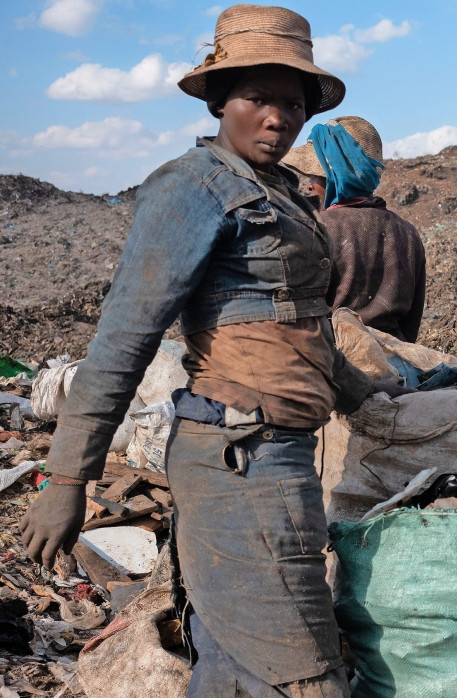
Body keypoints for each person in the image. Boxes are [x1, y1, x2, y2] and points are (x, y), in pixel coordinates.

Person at [19, 5, 406, 694]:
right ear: (221, 99)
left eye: (293, 102)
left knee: (231, 663)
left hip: (278, 454)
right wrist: (68, 480)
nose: (278, 117)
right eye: (259, 97)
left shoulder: (281, 195)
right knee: (302, 673)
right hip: (239, 462)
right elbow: (124, 340)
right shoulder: (191, 186)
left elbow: (297, 328)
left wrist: (381, 397)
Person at [283, 116, 427, 342]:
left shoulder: (317, 230)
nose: (309, 184)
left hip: (335, 368)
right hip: (399, 368)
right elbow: (411, 326)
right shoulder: (408, 234)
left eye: (316, 175)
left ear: (337, 176)